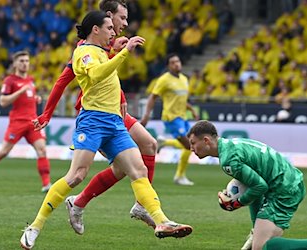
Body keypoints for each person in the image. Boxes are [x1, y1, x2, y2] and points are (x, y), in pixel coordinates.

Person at [20, 11, 192, 250]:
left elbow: (106, 67)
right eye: (109, 27)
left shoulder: (101, 52)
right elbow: (98, 75)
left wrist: (114, 51)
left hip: (115, 123)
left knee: (139, 169)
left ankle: (162, 221)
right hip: (92, 121)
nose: (114, 31)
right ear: (95, 29)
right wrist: (124, 52)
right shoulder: (83, 52)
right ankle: (35, 226)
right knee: (77, 175)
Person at [32, 0, 157, 230]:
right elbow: (65, 80)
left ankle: (82, 203)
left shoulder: (109, 45)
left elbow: (109, 73)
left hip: (113, 111)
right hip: (96, 112)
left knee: (143, 151)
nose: (124, 24)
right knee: (93, 170)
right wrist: (47, 114)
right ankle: (83, 203)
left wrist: (120, 92)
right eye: (122, 18)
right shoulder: (85, 48)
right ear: (107, 18)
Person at [187, 120, 307, 250]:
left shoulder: (229, 161)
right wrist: (255, 226)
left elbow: (259, 187)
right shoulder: (231, 144)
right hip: (289, 182)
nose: (191, 148)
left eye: (193, 143)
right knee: (266, 243)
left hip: (283, 189)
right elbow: (253, 188)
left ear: (206, 140)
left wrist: (237, 203)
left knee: (261, 247)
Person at [0, 51, 51, 193]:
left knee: (42, 150)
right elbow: (3, 101)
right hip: (17, 122)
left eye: (27, 61)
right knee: (3, 152)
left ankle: (46, 185)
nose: (25, 63)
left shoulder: (30, 80)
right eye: (22, 61)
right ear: (15, 64)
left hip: (32, 122)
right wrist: (20, 92)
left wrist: (35, 98)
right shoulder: (10, 81)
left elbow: (28, 97)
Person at [140, 54, 199, 186]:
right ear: (168, 66)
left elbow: (182, 99)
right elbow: (152, 97)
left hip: (183, 116)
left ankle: (178, 173)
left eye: (178, 61)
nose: (176, 64)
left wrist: (192, 109)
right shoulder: (164, 80)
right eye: (173, 62)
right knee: (189, 145)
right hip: (171, 117)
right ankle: (179, 174)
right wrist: (147, 115)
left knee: (190, 146)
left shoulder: (184, 79)